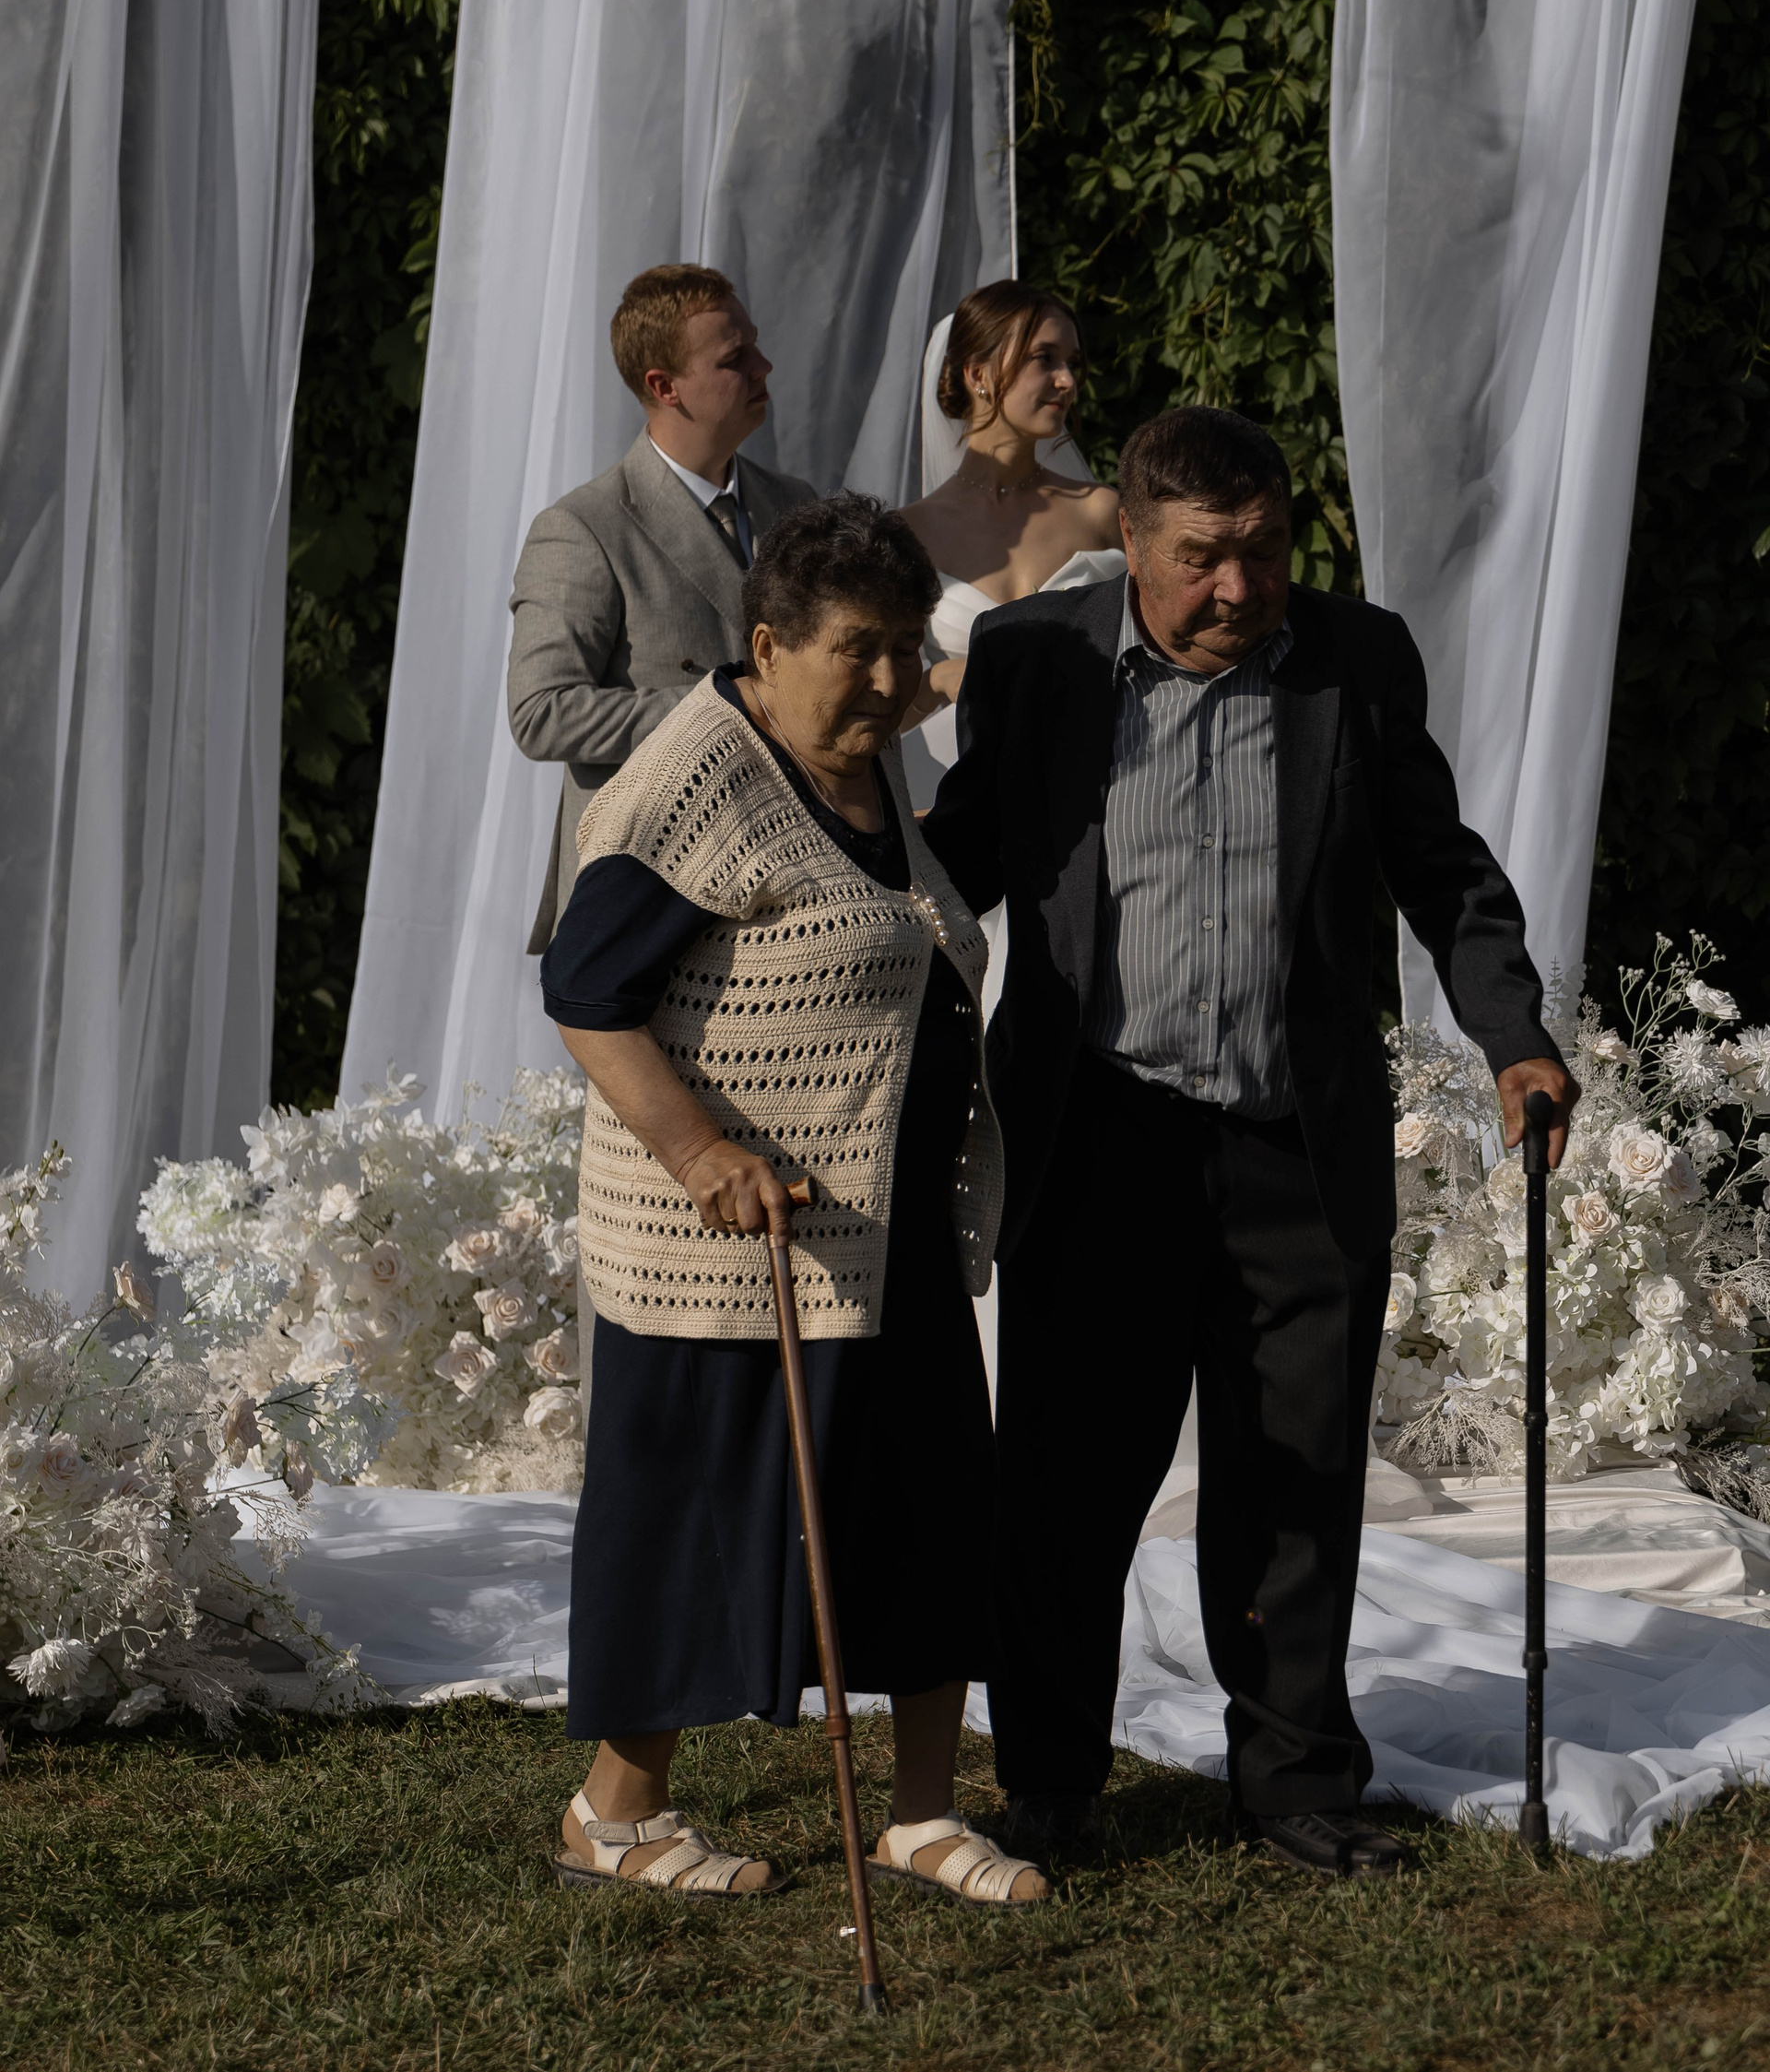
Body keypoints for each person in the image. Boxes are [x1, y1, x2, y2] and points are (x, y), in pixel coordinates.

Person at [921, 405, 1580, 1877]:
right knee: (1066, 1483)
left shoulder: (1357, 658)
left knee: (1295, 1481)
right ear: (1131, 542)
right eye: (1203, 558)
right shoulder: (1035, 660)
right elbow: (957, 857)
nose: (1239, 586)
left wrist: (1514, 1035)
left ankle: (1292, 1784)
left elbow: (1440, 868)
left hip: (1295, 1140)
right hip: (1101, 1140)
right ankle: (1048, 1780)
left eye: (1266, 551)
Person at [542, 493, 1049, 1909]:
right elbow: (586, 992)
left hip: (885, 1231)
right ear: (767, 645)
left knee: (933, 1507)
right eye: (857, 651)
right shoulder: (695, 777)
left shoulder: (864, 767)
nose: (890, 681)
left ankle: (923, 1815)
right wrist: (700, 1151)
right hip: (730, 1252)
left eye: (906, 648)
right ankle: (614, 1817)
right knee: (696, 1529)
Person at [507, 263, 818, 953]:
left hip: (794, 885)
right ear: (663, 386)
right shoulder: (584, 526)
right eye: (735, 358)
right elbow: (540, 712)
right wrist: (730, 705)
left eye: (755, 345)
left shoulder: (797, 505)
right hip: (647, 897)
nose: (764, 366)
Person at [896, 281, 1125, 776]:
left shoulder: (1101, 512)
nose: (1067, 381)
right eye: (1044, 358)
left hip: (1099, 778)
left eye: (1072, 363)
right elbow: (877, 704)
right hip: (954, 784)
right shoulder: (908, 533)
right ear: (978, 373)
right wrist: (939, 679)